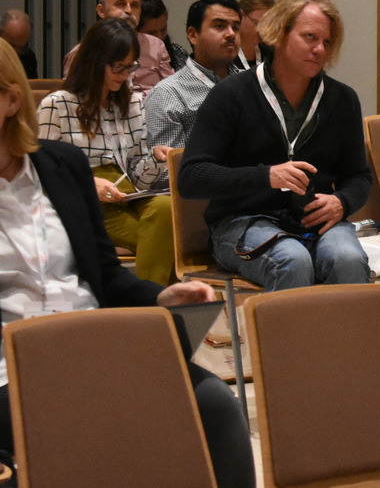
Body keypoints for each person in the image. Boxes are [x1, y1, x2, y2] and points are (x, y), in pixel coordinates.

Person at [0, 41, 255, 487]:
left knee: (214, 402)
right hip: (10, 369)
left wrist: (161, 296)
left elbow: (106, 275)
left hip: (95, 343)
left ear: (11, 100)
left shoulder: (61, 166)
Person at [179, 0, 371, 291]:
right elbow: (192, 177)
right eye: (310, 37)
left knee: (348, 259)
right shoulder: (231, 95)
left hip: (314, 220)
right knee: (292, 259)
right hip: (241, 220)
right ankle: (284, 326)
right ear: (279, 35)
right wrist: (266, 176)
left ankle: (342, 326)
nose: (319, 49)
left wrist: (341, 202)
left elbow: (358, 177)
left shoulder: (342, 99)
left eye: (327, 42)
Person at [37, 19, 176, 286]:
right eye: (118, 66)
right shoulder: (58, 105)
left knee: (164, 207)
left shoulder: (132, 103)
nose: (125, 75)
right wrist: (90, 183)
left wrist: (156, 160)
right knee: (163, 236)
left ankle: (149, 303)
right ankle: (156, 302)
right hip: (83, 199)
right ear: (95, 60)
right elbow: (40, 172)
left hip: (126, 194)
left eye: (131, 66)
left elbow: (138, 179)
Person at [145, 0, 242, 189]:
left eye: (236, 27)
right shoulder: (169, 94)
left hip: (259, 187)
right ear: (193, 35)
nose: (231, 33)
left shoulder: (252, 84)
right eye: (220, 26)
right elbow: (168, 175)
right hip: (206, 195)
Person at [63, 0, 174, 96]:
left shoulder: (155, 45)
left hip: (153, 105)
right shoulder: (82, 51)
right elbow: (73, 95)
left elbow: (172, 89)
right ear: (101, 11)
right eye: (121, 4)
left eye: (135, 5)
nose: (129, 10)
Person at [139, 0, 189, 69]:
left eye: (163, 30)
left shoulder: (177, 53)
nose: (159, 37)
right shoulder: (129, 61)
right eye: (151, 33)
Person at [235, 0, 275, 70]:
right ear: (241, 16)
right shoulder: (226, 53)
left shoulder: (270, 53)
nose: (262, 30)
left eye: (266, 24)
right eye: (256, 23)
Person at [0, 11, 36, 79]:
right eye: (12, 46)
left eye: (21, 49)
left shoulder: (28, 57)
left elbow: (31, 84)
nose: (15, 53)